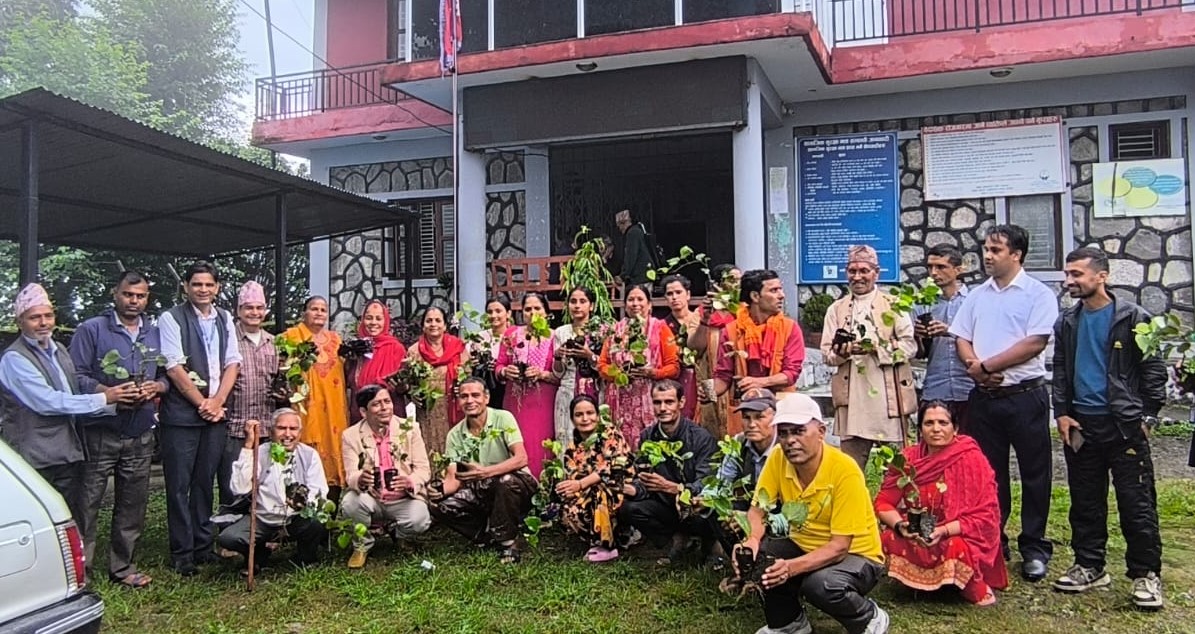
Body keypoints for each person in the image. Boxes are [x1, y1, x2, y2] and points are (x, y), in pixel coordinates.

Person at [1051, 247, 1165, 609]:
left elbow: (1153, 370)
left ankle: (1146, 575)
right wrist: (1061, 413)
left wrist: (1147, 417)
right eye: (1067, 274)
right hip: (1081, 426)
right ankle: (1090, 565)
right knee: (1085, 502)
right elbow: (1061, 370)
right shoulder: (1067, 321)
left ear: (1102, 276)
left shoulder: (1134, 318)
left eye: (1077, 274)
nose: (1069, 281)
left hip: (1124, 426)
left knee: (1137, 504)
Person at [949, 224, 1058, 581]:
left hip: (1024, 396)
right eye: (986, 248)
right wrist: (975, 369)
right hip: (985, 398)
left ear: (1016, 254)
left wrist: (988, 366)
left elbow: (1035, 342)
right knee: (988, 474)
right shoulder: (978, 295)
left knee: (1034, 473)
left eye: (996, 250)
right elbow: (961, 337)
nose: (987, 255)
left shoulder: (1037, 294)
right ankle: (993, 540)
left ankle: (1034, 546)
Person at [738, 393, 888, 634]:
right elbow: (757, 511)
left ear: (821, 432)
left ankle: (868, 618)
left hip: (857, 555)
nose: (790, 441)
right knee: (761, 559)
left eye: (799, 431)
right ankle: (789, 623)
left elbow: (839, 547)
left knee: (821, 585)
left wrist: (790, 567)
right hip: (804, 544)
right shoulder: (778, 457)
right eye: (784, 433)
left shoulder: (845, 470)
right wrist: (752, 540)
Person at [0, 283, 137, 526]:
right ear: (20, 322)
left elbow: (71, 395)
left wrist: (117, 404)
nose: (43, 323)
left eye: (48, 315)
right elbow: (48, 402)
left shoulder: (59, 350)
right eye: (34, 317)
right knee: (42, 524)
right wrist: (105, 398)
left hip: (67, 453)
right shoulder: (14, 358)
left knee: (66, 521)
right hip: (36, 458)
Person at [69, 271, 165, 588]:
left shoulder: (155, 333)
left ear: (147, 298)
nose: (133, 301)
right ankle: (79, 574)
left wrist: (157, 387)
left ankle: (123, 567)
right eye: (128, 294)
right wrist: (106, 392)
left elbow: (168, 374)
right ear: (115, 293)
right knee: (87, 503)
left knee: (132, 503)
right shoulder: (92, 329)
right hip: (100, 428)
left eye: (140, 296)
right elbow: (75, 376)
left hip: (140, 429)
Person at [874, 402, 1006, 605]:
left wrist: (943, 530)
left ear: (956, 428)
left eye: (943, 423)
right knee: (890, 537)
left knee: (956, 546)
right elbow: (883, 502)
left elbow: (986, 516)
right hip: (918, 529)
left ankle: (966, 584)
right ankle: (915, 585)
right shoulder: (908, 459)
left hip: (956, 532)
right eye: (929, 423)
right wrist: (901, 526)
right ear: (920, 430)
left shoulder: (971, 458)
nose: (936, 429)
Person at [158, 261, 242, 576]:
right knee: (179, 485)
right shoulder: (171, 318)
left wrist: (217, 402)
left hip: (215, 415)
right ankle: (182, 552)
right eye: (196, 284)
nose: (203, 290)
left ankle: (203, 546)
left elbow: (233, 362)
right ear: (186, 287)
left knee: (205, 482)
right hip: (182, 417)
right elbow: (173, 367)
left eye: (208, 284)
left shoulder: (224, 318)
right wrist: (202, 403)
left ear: (217, 288)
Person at [821, 246, 918, 469]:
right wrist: (842, 353)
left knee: (898, 467)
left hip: (888, 399)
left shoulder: (894, 305)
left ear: (876, 273)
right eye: (852, 271)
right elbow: (827, 354)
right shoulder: (836, 309)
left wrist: (876, 348)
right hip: (852, 400)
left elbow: (909, 346)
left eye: (864, 271)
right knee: (850, 467)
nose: (857, 277)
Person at [430, 377, 537, 563]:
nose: (470, 400)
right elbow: (453, 478)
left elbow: (521, 458)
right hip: (481, 489)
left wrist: (486, 472)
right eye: (464, 396)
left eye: (475, 395)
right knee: (438, 506)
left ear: (486, 398)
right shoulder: (454, 435)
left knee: (505, 481)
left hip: (517, 485)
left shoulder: (503, 418)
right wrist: (435, 492)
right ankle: (485, 536)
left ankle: (508, 542)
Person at [216, 409, 328, 574]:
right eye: (281, 428)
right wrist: (248, 446)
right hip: (263, 519)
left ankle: (306, 557)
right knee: (229, 538)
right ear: (271, 431)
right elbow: (239, 488)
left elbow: (319, 492)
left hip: (295, 519)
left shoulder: (309, 455)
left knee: (316, 521)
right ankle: (259, 554)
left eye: (293, 429)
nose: (287, 434)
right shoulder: (259, 452)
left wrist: (302, 504)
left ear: (300, 432)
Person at [619, 380, 717, 565]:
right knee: (628, 508)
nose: (663, 408)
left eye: (669, 402)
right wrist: (632, 489)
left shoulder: (700, 437)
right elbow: (646, 480)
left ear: (681, 402)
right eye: (657, 402)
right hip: (666, 506)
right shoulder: (648, 436)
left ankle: (708, 546)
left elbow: (706, 483)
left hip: (694, 506)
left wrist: (674, 488)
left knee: (709, 511)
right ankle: (675, 540)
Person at [340, 385, 432, 569]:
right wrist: (360, 479)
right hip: (370, 497)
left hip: (403, 498)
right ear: (363, 412)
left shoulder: (410, 428)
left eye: (387, 402)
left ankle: (400, 536)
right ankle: (362, 545)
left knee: (420, 519)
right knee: (350, 503)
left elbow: (423, 469)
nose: (384, 408)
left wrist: (410, 481)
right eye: (376, 404)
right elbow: (350, 474)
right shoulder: (350, 435)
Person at [714, 269, 803, 437]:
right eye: (774, 290)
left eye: (780, 289)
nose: (782, 295)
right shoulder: (731, 331)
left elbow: (791, 374)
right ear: (755, 296)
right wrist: (707, 392)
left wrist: (760, 382)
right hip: (746, 411)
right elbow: (723, 377)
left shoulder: (790, 328)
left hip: (780, 409)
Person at [219, 281, 281, 507]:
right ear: (239, 310)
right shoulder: (227, 341)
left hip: (267, 428)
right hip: (234, 428)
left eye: (259, 308)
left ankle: (264, 525)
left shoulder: (274, 343)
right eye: (249, 308)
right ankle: (231, 526)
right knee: (233, 486)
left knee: (267, 485)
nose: (254, 313)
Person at [598, 284, 680, 451]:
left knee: (650, 448)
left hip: (651, 398)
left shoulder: (660, 328)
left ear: (649, 305)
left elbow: (674, 367)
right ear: (625, 305)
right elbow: (602, 365)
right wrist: (619, 375)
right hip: (619, 401)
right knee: (620, 450)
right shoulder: (615, 330)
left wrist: (654, 373)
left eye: (640, 299)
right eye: (631, 300)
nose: (635, 303)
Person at [283, 296, 350, 494]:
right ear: (304, 312)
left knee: (334, 448)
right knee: (306, 446)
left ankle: (332, 498)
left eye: (323, 309)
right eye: (314, 309)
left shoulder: (336, 340)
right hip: (306, 406)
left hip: (334, 409)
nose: (319, 313)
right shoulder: (291, 336)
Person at [557, 395, 635, 563]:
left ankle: (606, 546)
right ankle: (614, 538)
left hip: (618, 490)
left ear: (598, 415)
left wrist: (581, 484)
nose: (585, 418)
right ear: (572, 419)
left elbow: (612, 468)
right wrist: (569, 489)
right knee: (567, 507)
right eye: (579, 415)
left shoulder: (610, 435)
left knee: (601, 488)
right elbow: (573, 474)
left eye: (590, 413)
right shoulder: (573, 448)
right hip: (587, 493)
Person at [703, 388, 778, 560]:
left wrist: (751, 518)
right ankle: (739, 560)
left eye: (759, 417)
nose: (751, 424)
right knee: (717, 509)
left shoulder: (784, 447)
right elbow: (722, 482)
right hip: (749, 505)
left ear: (775, 418)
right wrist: (702, 499)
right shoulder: (739, 442)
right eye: (746, 417)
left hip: (778, 513)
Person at [496, 292, 558, 478]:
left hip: (544, 402)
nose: (532, 313)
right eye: (527, 309)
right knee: (516, 442)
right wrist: (505, 372)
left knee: (542, 444)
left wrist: (542, 374)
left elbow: (561, 376)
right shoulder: (511, 334)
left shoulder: (555, 337)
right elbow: (499, 365)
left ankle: (543, 486)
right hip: (515, 402)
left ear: (546, 312)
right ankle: (517, 486)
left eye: (537, 308)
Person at [914, 244, 974, 432]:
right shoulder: (922, 303)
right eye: (930, 267)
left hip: (969, 386)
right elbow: (920, 354)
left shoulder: (973, 300)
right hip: (936, 386)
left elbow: (987, 340)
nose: (934, 273)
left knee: (970, 443)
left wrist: (950, 331)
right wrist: (918, 337)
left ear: (958, 270)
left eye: (941, 267)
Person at [687, 263, 741, 440]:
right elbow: (694, 349)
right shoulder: (701, 313)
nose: (738, 284)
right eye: (732, 280)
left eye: (739, 280)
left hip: (738, 382)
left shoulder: (746, 313)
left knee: (738, 430)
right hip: (710, 379)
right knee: (711, 425)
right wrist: (706, 319)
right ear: (717, 284)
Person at [410, 306, 467, 456]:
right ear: (423, 326)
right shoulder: (414, 351)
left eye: (437, 320)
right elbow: (408, 385)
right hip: (428, 412)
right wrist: (412, 395)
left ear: (445, 326)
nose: (433, 324)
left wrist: (461, 388)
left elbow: (469, 378)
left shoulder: (458, 348)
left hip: (454, 407)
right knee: (429, 451)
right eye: (429, 321)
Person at [552, 287, 602, 443]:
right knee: (566, 439)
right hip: (568, 391)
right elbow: (558, 373)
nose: (577, 306)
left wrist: (589, 355)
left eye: (582, 301)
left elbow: (606, 367)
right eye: (573, 301)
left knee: (596, 439)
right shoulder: (561, 332)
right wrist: (558, 356)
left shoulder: (601, 331)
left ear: (591, 306)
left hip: (594, 390)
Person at [346, 299, 407, 422]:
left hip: (388, 416)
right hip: (360, 415)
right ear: (362, 320)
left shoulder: (396, 349)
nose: (373, 322)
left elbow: (404, 385)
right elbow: (349, 384)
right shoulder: (356, 349)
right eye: (369, 318)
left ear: (385, 321)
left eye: (378, 319)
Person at [662, 274, 700, 422]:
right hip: (677, 377)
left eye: (678, 292)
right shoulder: (663, 326)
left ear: (688, 294)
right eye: (670, 294)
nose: (674, 297)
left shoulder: (700, 320)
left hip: (701, 374)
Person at [474, 297, 514, 409]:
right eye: (490, 312)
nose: (493, 315)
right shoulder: (480, 337)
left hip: (509, 387)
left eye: (498, 311)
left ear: (508, 313)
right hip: (487, 388)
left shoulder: (515, 336)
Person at [615, 209, 652, 287]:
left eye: (620, 225)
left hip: (640, 278)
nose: (620, 228)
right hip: (645, 275)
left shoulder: (632, 233)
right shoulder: (638, 230)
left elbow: (631, 256)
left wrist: (623, 275)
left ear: (625, 223)